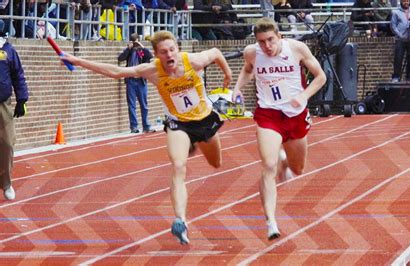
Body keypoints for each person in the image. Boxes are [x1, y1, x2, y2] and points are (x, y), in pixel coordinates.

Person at [60, 30, 232, 244]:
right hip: (178, 124)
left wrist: (227, 74)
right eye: (163, 52)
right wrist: (77, 60)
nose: (169, 55)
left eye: (172, 50)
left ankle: (193, 144)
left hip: (204, 121)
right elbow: (116, 72)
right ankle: (180, 220)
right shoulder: (151, 70)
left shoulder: (193, 61)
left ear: (178, 50)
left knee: (216, 163)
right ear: (156, 54)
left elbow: (215, 51)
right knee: (179, 166)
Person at [232, 17, 326, 240]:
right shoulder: (252, 53)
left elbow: (321, 77)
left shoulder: (297, 49)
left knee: (298, 168)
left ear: (279, 36)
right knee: (267, 165)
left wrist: (303, 95)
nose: (267, 46)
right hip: (268, 114)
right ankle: (271, 222)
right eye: (262, 41)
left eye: (270, 40)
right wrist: (237, 88)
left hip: (295, 115)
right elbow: (248, 70)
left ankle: (285, 162)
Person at [0, 23, 29, 201]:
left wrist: (22, 99)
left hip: (3, 103)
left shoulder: (8, 50)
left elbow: (18, 74)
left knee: (8, 143)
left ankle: (6, 184)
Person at [117, 33, 155, 133]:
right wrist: (128, 49)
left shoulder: (142, 51)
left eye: (136, 42)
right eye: (133, 42)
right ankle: (134, 127)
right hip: (131, 80)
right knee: (131, 105)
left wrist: (141, 46)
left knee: (144, 104)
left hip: (141, 81)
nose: (135, 45)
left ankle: (146, 126)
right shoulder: (129, 52)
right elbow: (120, 58)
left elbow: (149, 56)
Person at [390, 0, 410, 82]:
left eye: (407, 1)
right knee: (398, 58)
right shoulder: (395, 12)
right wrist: (400, 35)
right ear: (401, 2)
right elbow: (393, 26)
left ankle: (409, 76)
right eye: (404, 1)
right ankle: (396, 76)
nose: (406, 3)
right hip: (400, 39)